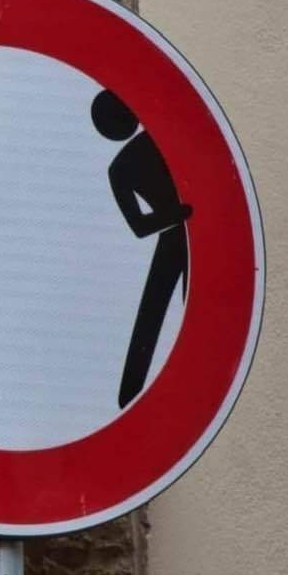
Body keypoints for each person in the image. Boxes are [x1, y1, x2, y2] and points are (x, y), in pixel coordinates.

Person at [91, 90, 192, 408]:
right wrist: (181, 213)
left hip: (185, 234)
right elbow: (139, 227)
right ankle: (130, 399)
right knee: (154, 313)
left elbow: (140, 226)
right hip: (178, 235)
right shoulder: (123, 165)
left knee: (182, 308)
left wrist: (180, 214)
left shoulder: (154, 142)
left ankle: (133, 397)